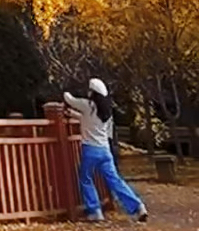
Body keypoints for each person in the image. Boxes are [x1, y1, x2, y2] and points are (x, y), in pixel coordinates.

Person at [63, 78, 147, 223]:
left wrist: (64, 91)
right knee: (115, 181)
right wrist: (73, 114)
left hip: (90, 150)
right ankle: (138, 206)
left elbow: (69, 99)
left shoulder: (87, 105)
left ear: (92, 92)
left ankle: (95, 210)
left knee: (85, 179)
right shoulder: (107, 112)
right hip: (105, 151)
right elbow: (91, 122)